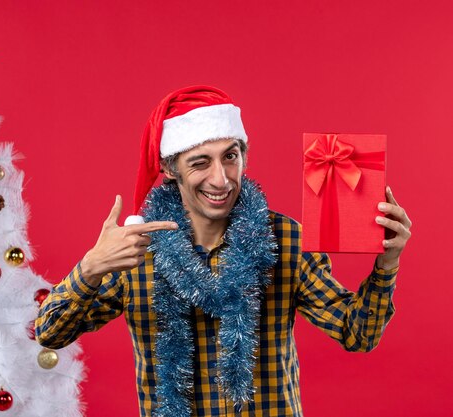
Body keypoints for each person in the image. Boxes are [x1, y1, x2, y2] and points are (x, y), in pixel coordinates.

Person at [35, 86, 411, 417]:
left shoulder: (285, 239)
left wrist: (387, 263)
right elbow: (49, 333)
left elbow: (357, 334)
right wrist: (90, 269)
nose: (221, 178)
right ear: (169, 168)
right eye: (200, 162)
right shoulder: (134, 249)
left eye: (230, 157)